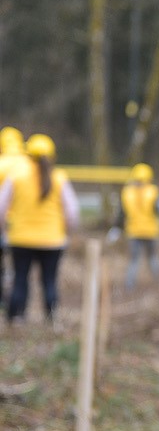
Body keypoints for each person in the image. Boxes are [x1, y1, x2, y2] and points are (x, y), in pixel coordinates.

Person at [0, 133, 80, 324]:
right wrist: (67, 232)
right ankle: (51, 318)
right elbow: (72, 213)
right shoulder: (59, 178)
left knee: (20, 279)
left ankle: (17, 317)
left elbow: (1, 208)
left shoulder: (16, 176)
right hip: (52, 240)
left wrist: (4, 232)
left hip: (20, 239)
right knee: (49, 281)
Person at [110, 162, 159, 290]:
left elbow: (121, 213)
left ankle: (129, 286)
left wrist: (116, 228)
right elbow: (158, 209)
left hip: (133, 232)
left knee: (134, 260)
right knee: (153, 258)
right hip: (151, 231)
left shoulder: (127, 192)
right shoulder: (152, 191)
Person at [0, 125, 28, 307]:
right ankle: (17, 304)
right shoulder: (27, 164)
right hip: (21, 225)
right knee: (20, 269)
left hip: (2, 222)